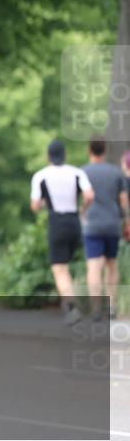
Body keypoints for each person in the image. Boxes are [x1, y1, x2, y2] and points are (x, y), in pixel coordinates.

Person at [30, 139, 94, 324]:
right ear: (65, 155)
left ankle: (72, 307)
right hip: (75, 220)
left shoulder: (41, 176)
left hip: (57, 222)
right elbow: (90, 195)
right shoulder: (76, 172)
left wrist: (43, 204)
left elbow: (35, 205)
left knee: (59, 268)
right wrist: (83, 209)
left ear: (48, 156)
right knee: (78, 262)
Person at [82, 137, 127, 320]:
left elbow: (83, 198)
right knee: (112, 265)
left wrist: (82, 213)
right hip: (112, 224)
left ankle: (95, 309)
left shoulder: (83, 172)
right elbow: (124, 201)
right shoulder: (116, 173)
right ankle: (111, 306)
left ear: (89, 150)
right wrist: (126, 221)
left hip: (92, 224)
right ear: (105, 150)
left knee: (94, 266)